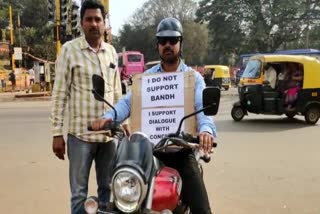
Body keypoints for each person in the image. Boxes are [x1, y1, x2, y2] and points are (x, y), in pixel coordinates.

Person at [91, 17, 216, 214]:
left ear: (180, 43)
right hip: (147, 151)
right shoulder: (147, 79)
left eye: (173, 41)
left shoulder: (193, 78)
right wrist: (109, 117)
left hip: (180, 151)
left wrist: (206, 131)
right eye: (163, 41)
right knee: (118, 199)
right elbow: (127, 103)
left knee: (202, 209)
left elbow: (202, 106)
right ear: (157, 45)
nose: (168, 45)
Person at [50, 1, 128, 213]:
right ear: (82, 23)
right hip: (80, 137)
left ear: (104, 24)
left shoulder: (111, 52)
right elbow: (59, 94)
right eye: (89, 19)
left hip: (108, 137)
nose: (94, 24)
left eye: (98, 19)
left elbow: (117, 91)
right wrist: (57, 133)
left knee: (109, 190)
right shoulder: (69, 51)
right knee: (79, 194)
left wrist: (125, 122)